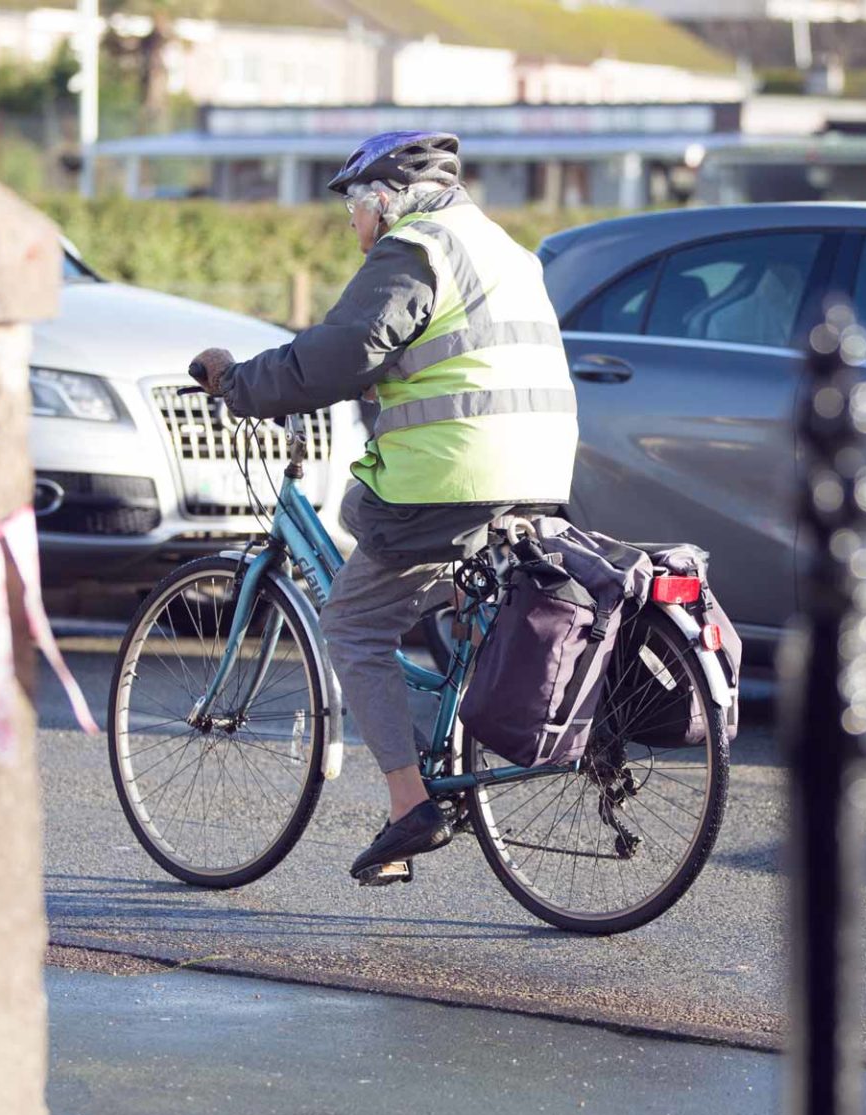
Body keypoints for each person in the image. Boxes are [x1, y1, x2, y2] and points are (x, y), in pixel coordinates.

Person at [188, 130, 578, 883]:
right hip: (540, 467)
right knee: (449, 607)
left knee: (354, 622)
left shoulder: (416, 247)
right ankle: (451, 743)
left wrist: (238, 383)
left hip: (457, 475)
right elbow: (454, 352)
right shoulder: (502, 248)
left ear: (385, 198)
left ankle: (410, 807)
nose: (354, 227)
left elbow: (339, 351)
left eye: (356, 209)